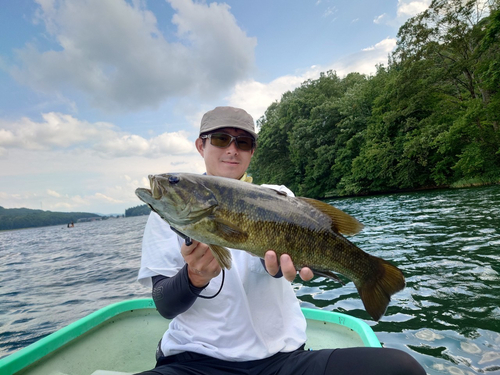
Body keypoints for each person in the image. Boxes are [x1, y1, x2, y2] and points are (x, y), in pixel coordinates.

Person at [136, 106, 425, 375]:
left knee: (401, 368)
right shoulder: (165, 217)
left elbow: (273, 262)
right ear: (201, 145)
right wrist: (193, 278)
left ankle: (370, 273)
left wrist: (277, 266)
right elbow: (164, 305)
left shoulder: (278, 195)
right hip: (195, 362)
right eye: (222, 139)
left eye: (243, 143)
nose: (232, 150)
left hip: (281, 361)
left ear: (252, 152)